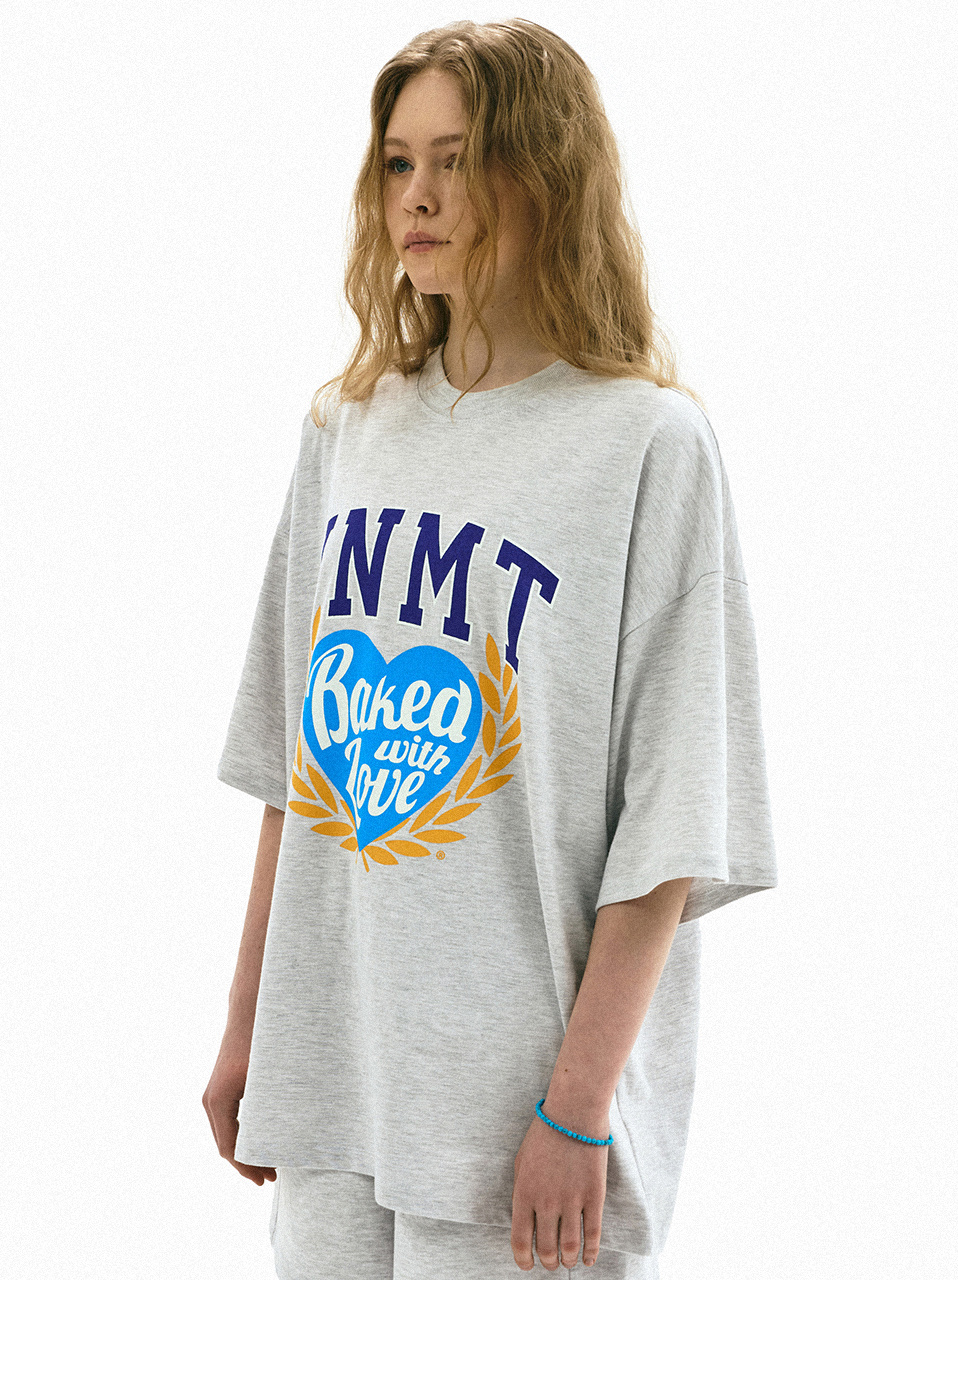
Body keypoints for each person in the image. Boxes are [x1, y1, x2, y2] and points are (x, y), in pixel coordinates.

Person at [202, 18, 778, 1281]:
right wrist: (252, 1029)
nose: (418, 197)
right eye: (398, 163)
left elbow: (672, 822)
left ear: (546, 178)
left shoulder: (647, 445)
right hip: (333, 1087)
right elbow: (295, 766)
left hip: (522, 1116)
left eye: (457, 161)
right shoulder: (348, 427)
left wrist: (579, 1108)